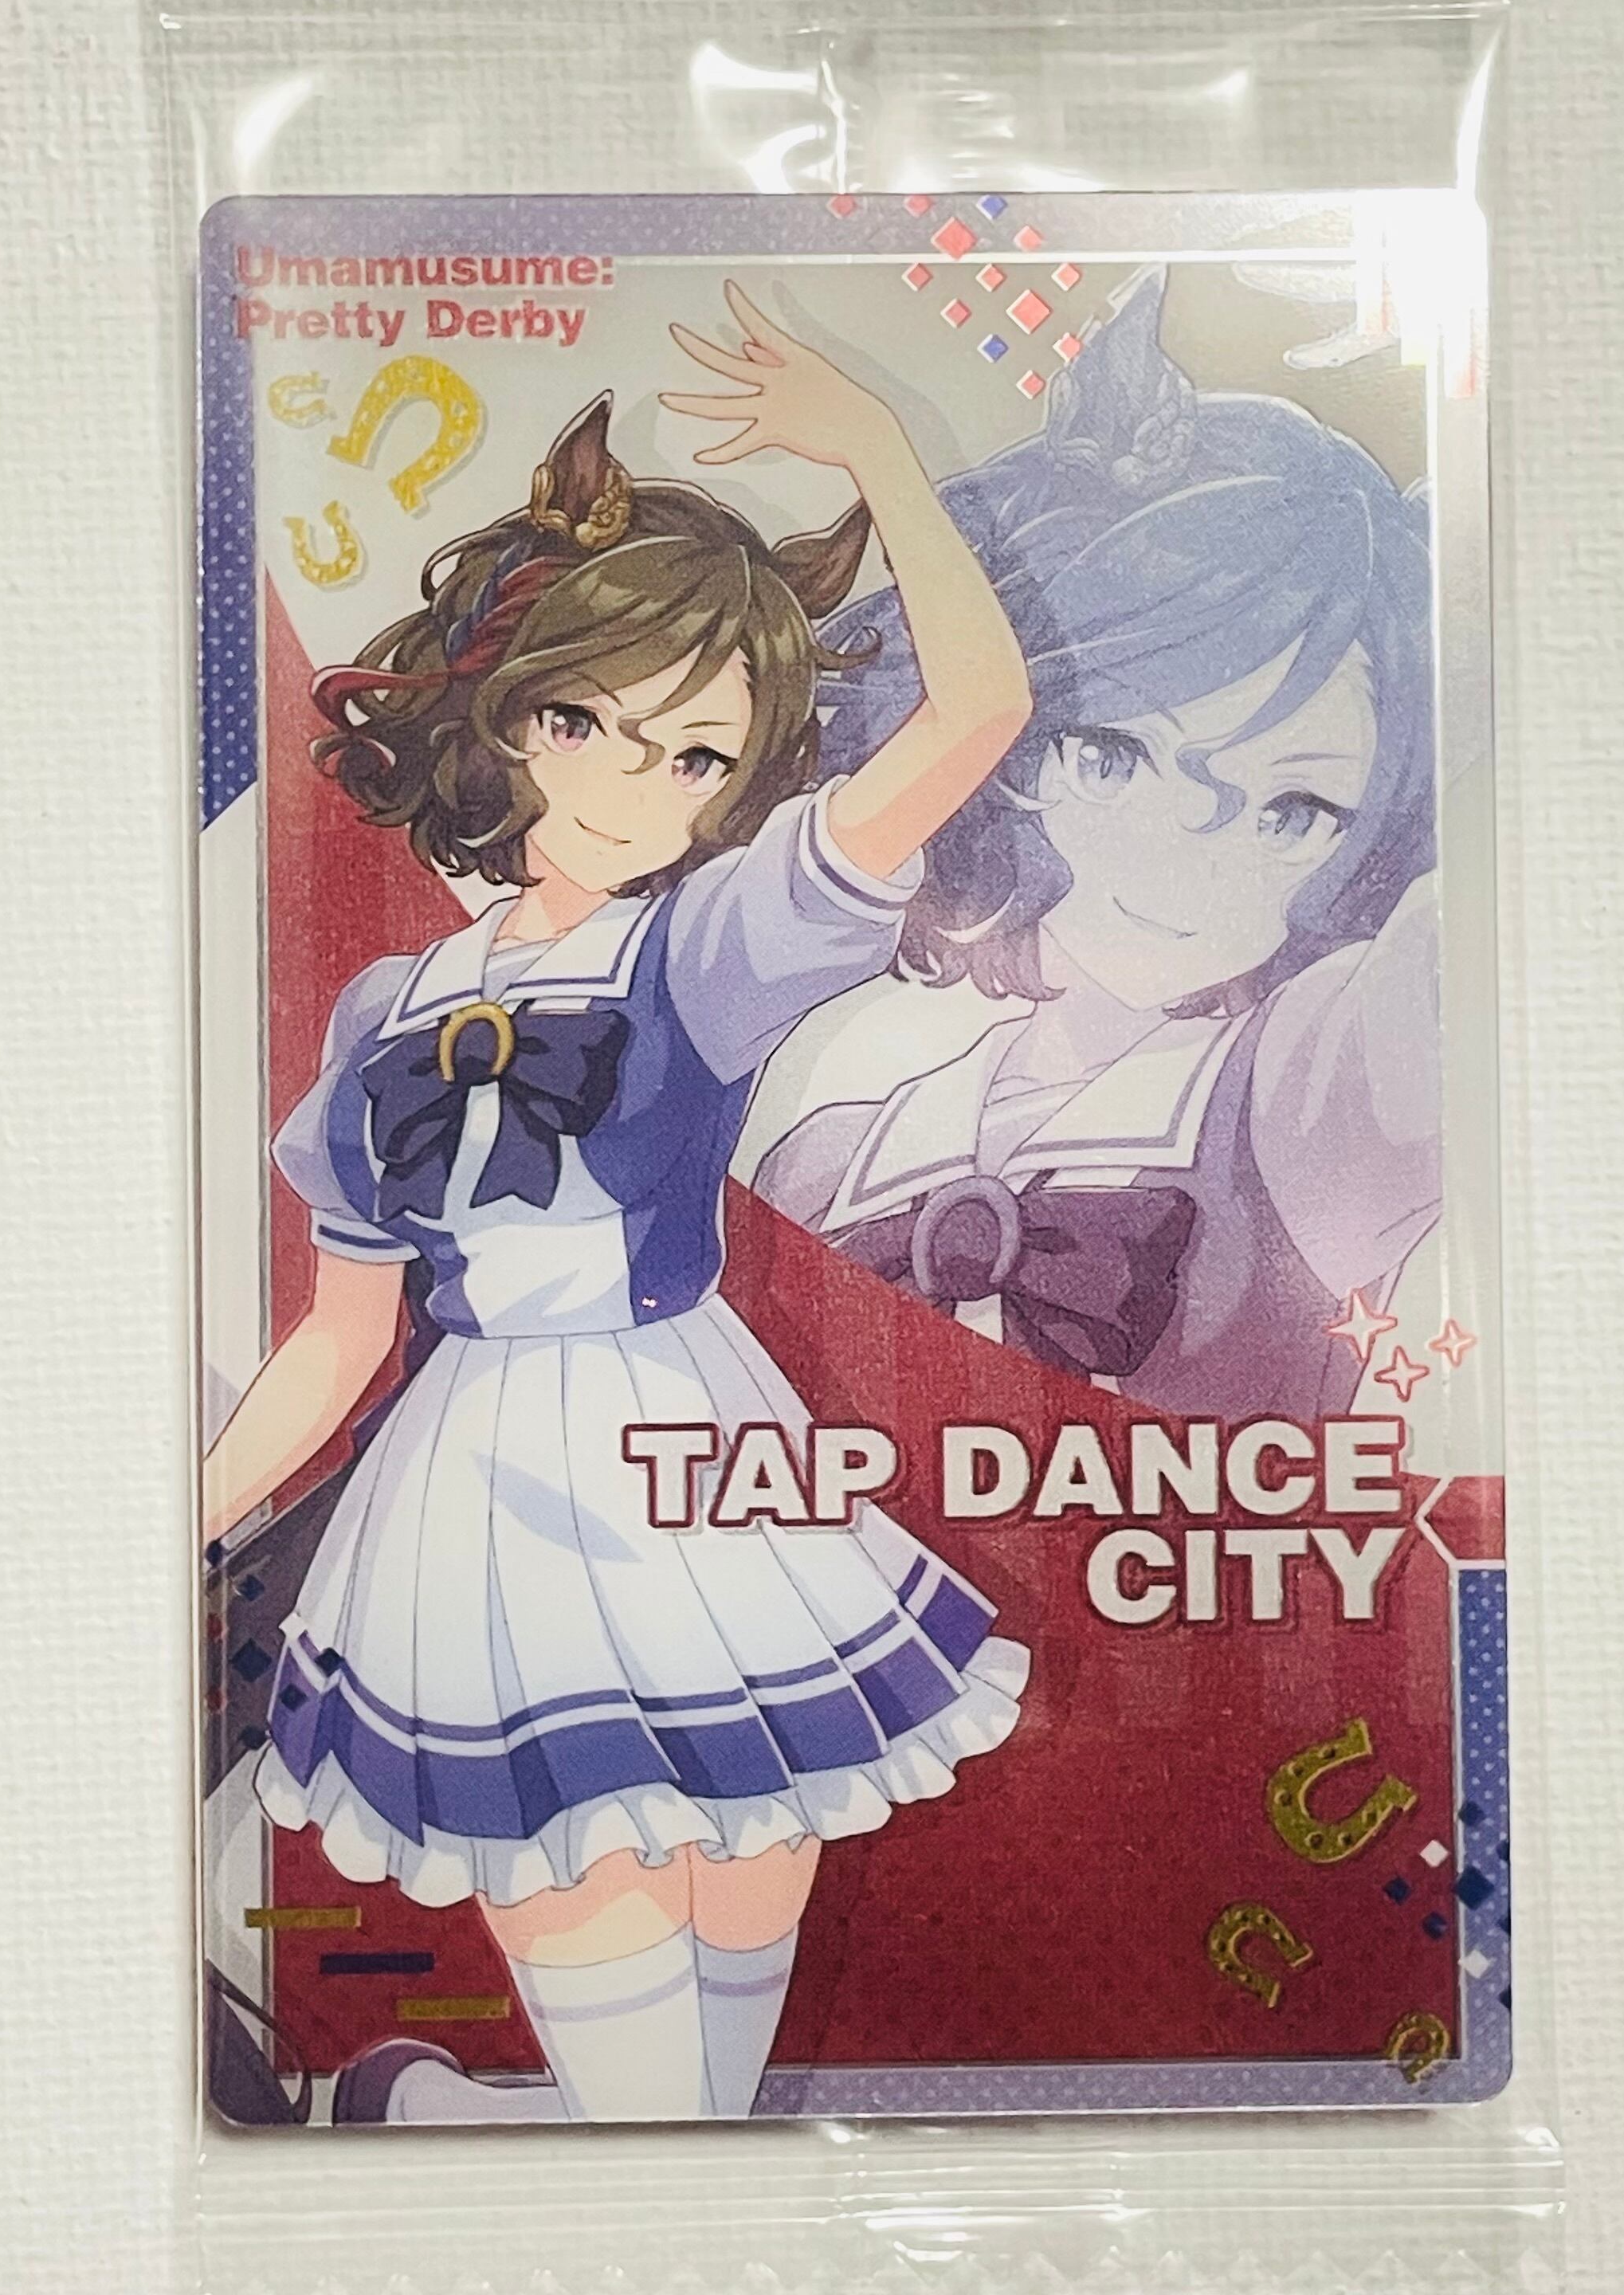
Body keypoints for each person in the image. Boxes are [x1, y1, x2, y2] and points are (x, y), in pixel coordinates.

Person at [202, 284, 1033, 2123]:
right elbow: (340, 1337)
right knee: (608, 1944)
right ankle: (553, 2157)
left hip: (687, 1445)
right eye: (593, 722)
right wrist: (169, 1527)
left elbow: (981, 709)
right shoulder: (387, 1013)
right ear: (511, 716)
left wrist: (881, 453)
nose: (641, 786)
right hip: (482, 1494)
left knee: (731, 1930)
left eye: (700, 755)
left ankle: (563, 2163)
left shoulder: (710, 944)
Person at [752, 277, 1439, 1418]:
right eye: (1114, 757)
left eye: (1291, 811)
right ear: (1013, 767)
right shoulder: (824, 1157)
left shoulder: (1312, 1095)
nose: (1184, 854)